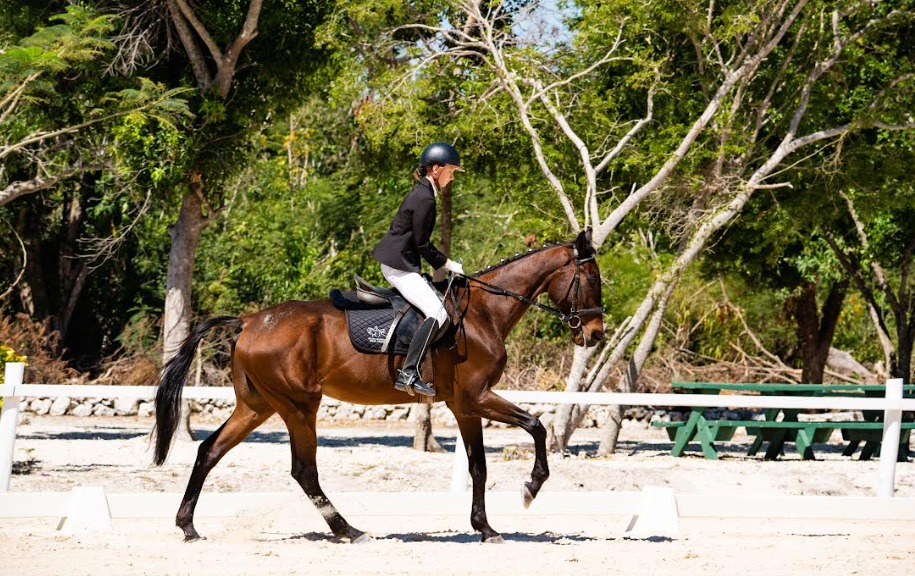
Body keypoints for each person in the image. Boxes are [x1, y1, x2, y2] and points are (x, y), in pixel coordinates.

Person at [372, 142, 465, 397]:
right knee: (438, 314)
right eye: (451, 171)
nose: (452, 176)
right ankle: (409, 372)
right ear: (436, 169)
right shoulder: (425, 198)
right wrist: (446, 264)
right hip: (398, 265)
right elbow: (421, 243)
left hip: (400, 261)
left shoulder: (425, 193)